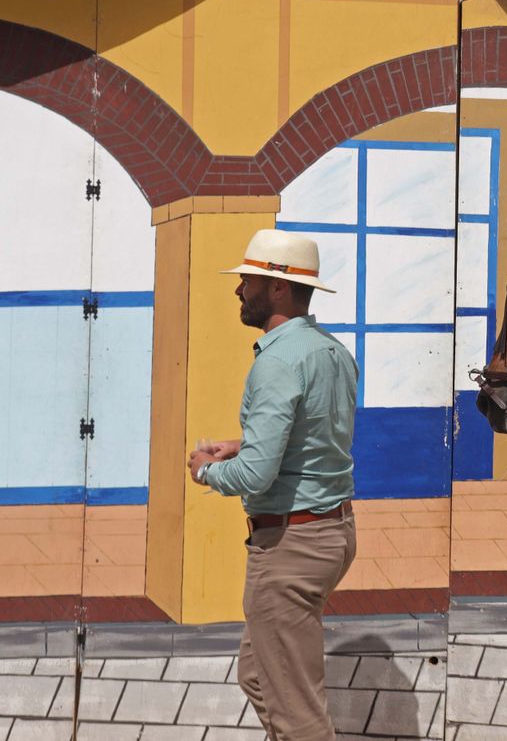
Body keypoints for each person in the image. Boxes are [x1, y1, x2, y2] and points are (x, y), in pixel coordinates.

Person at [187, 228, 359, 741]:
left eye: (249, 280)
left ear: (279, 289)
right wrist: (242, 443)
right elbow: (315, 435)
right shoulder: (331, 352)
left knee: (298, 716)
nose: (239, 290)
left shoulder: (278, 361)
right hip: (329, 533)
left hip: (290, 545)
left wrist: (205, 470)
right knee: (259, 676)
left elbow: (257, 476)